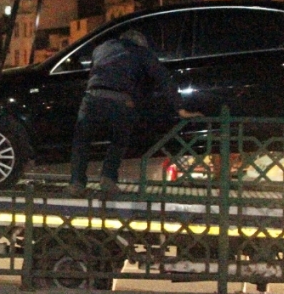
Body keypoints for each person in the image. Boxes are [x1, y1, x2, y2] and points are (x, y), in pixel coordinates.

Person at [63, 29, 197, 199]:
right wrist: (180, 108)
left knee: (82, 141)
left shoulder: (102, 48)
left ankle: (76, 183)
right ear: (140, 43)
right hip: (121, 101)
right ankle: (108, 178)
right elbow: (163, 78)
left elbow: (94, 72)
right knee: (119, 140)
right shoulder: (141, 52)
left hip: (92, 98)